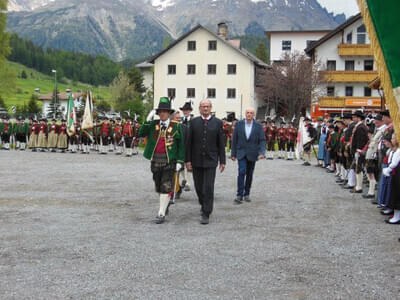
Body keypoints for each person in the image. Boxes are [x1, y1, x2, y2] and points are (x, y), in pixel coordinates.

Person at [139, 97, 185, 224]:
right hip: (155, 160)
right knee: (158, 185)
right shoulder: (153, 125)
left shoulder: (176, 126)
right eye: (160, 111)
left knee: (166, 185)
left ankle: (161, 213)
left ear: (169, 113)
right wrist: (147, 120)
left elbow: (181, 145)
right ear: (158, 113)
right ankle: (164, 205)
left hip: (169, 161)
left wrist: (180, 162)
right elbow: (141, 133)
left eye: (165, 111)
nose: (163, 113)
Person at [185, 99, 226, 225]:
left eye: (207, 106)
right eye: (203, 106)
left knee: (208, 186)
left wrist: (222, 160)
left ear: (211, 108)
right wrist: (187, 160)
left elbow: (221, 143)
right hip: (196, 160)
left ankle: (206, 212)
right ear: (199, 108)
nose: (205, 109)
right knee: (198, 187)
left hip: (211, 160)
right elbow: (189, 143)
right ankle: (203, 204)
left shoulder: (218, 123)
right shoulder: (194, 122)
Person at [231, 107, 266, 204]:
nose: (249, 114)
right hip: (241, 153)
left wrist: (262, 153)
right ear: (245, 114)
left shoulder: (258, 126)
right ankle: (239, 195)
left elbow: (262, 140)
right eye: (247, 113)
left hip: (253, 154)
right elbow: (234, 140)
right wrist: (233, 154)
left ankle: (247, 193)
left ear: (253, 115)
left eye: (251, 113)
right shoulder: (239, 124)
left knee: (249, 174)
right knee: (242, 172)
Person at [350, 111, 369, 194]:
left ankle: (359, 187)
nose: (353, 118)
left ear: (359, 118)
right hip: (357, 150)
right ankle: (358, 185)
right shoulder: (359, 126)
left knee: (359, 168)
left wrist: (358, 150)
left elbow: (360, 140)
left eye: (354, 117)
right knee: (358, 168)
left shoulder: (361, 127)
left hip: (359, 150)